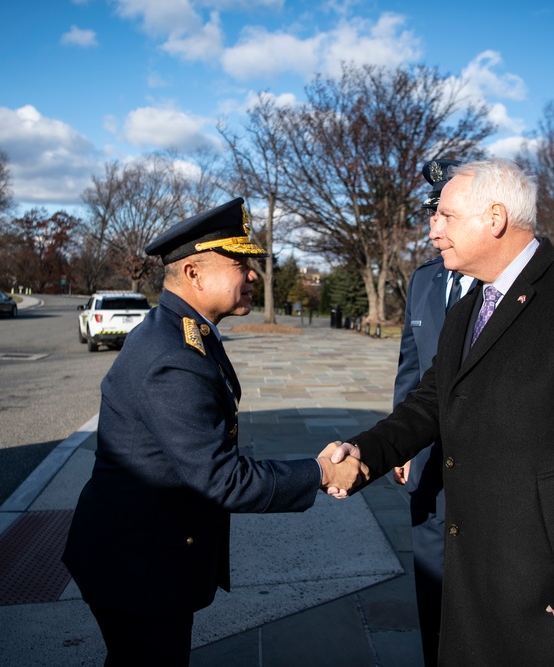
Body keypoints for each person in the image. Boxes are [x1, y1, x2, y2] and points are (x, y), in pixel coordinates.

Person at [328, 159, 554, 665]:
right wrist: (365, 452)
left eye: (446, 216)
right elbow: (430, 401)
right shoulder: (468, 307)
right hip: (476, 567)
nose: (433, 229)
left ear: (495, 217)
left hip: (547, 580)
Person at [62, 198, 366, 666]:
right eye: (239, 263)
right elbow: (222, 477)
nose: (253, 275)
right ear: (193, 274)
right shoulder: (172, 355)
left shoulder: (186, 332)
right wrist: (320, 472)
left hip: (142, 555)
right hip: (138, 567)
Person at [393, 157, 475, 666]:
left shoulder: (501, 287)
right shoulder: (424, 281)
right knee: (430, 585)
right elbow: (410, 366)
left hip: (480, 466)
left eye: (444, 214)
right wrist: (400, 441)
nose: (433, 226)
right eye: (432, 213)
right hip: (427, 463)